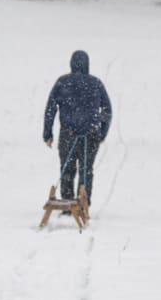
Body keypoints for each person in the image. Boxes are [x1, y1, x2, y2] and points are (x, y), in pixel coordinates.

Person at [43, 50, 112, 205]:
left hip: (68, 133)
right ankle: (83, 202)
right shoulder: (96, 83)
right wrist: (102, 132)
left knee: (67, 168)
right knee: (86, 170)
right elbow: (107, 110)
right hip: (91, 134)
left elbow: (50, 109)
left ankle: (67, 204)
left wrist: (48, 134)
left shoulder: (62, 82)